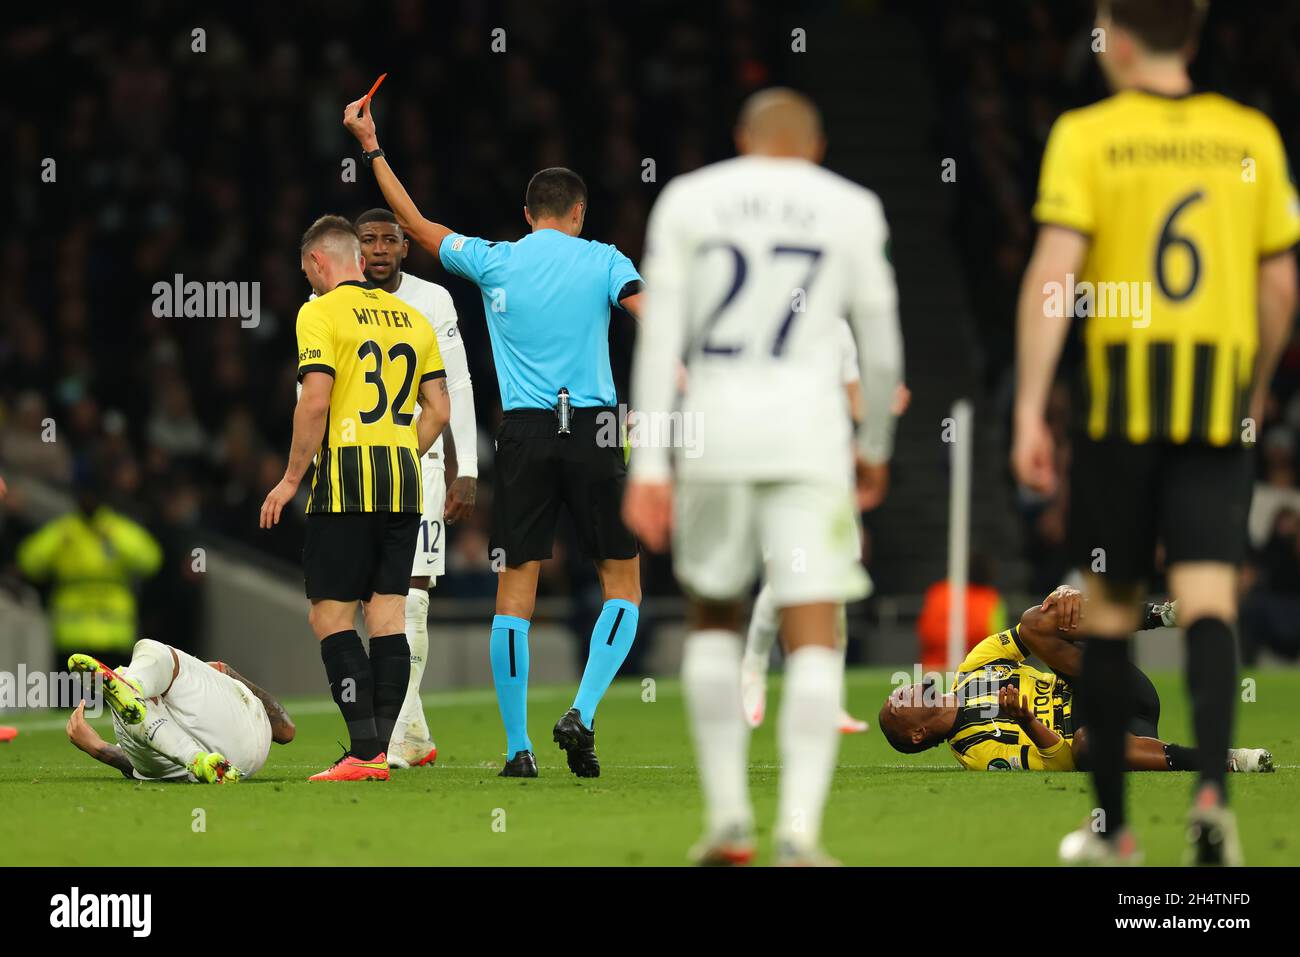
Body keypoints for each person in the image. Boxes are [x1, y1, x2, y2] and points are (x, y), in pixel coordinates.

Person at [1011, 0, 1300, 864]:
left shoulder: (1088, 135)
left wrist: (1030, 404)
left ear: (1119, 40)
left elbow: (1054, 275)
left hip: (1117, 414)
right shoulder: (1251, 135)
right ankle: (1212, 799)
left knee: (1103, 613)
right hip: (1214, 409)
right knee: (1209, 603)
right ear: (1197, 36)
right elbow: (1279, 286)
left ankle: (1113, 832)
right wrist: (1248, 390)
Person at [623, 88, 904, 865]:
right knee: (814, 625)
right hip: (810, 441)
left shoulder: (689, 199)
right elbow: (880, 347)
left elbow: (660, 342)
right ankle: (799, 836)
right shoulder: (850, 205)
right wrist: (874, 441)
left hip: (714, 435)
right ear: (815, 148)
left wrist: (650, 459)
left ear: (743, 138)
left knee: (714, 616)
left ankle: (727, 822)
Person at [343, 95, 645, 779]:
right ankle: (584, 712)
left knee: (516, 596)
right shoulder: (605, 259)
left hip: (525, 434)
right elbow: (648, 316)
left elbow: (416, 227)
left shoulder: (495, 260)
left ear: (527, 214)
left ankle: (517, 749)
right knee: (622, 584)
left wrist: (371, 146)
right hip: (595, 428)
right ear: (578, 214)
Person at [260, 215, 450, 782]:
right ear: (359, 259)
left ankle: (364, 750)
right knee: (388, 614)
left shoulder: (317, 313)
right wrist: (397, 450)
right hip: (403, 481)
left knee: (330, 615)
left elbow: (314, 400)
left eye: (306, 271)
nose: (308, 282)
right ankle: (378, 752)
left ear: (319, 263)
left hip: (344, 485)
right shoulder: (413, 318)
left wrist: (292, 478)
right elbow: (439, 409)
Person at [878, 587, 1273, 777]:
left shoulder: (971, 668)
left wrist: (1063, 599)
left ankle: (1163, 615)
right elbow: (1063, 762)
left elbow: (1036, 632)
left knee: (1038, 618)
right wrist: (1026, 719)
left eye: (898, 691)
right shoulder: (976, 751)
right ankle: (1221, 759)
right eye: (898, 703)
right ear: (917, 734)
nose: (902, 690)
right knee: (1086, 746)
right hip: (1108, 733)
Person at [353, 208, 480, 769]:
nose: (380, 249)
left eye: (390, 239)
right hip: (356, 464)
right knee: (375, 597)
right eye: (368, 240)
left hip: (421, 461)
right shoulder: (330, 302)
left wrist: (467, 466)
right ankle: (415, 732)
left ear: (405, 247)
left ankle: (398, 734)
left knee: (412, 593)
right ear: (355, 250)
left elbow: (458, 383)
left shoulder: (434, 300)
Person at [740, 319, 900, 733]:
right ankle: (753, 667)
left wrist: (882, 405)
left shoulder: (840, 329)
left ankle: (828, 699)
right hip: (777, 459)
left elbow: (854, 402)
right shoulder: (765, 318)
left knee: (833, 584)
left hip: (830, 465)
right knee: (783, 577)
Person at [65, 641, 295, 782]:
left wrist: (97, 747)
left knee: (148, 654)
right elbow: (286, 730)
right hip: (239, 758)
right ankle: (195, 758)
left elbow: (286, 732)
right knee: (143, 687)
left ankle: (133, 684)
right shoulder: (210, 690)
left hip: (177, 763)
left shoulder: (205, 679)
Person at [17, 471, 162, 668]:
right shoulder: (64, 531)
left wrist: (115, 538)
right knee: (70, 699)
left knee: (112, 698)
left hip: (114, 638)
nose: (88, 499)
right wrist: (59, 541)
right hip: (71, 639)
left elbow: (151, 559)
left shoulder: (116, 529)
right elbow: (28, 561)